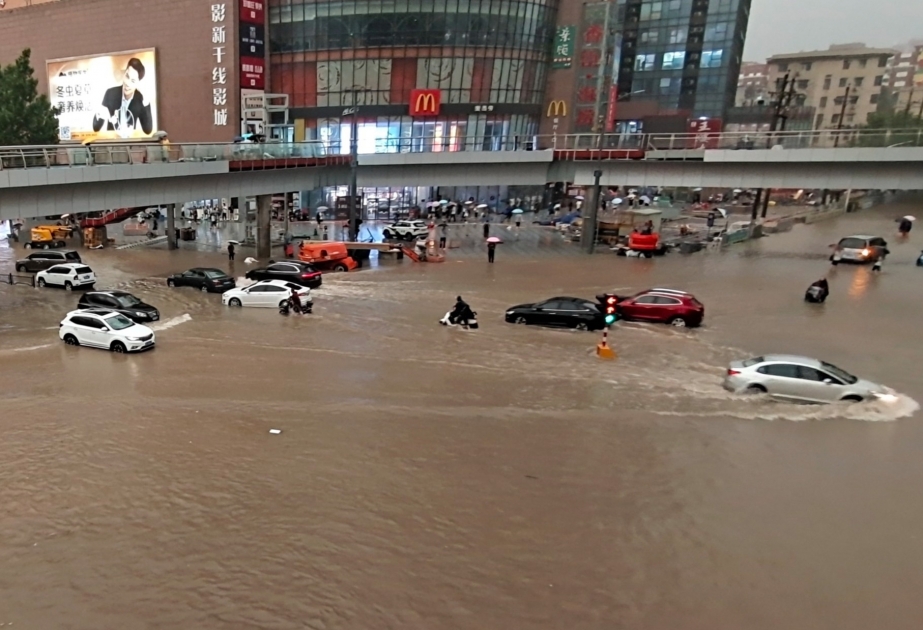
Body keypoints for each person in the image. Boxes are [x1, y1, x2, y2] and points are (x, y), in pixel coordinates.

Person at [92, 57, 154, 137]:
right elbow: (96, 128)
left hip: (130, 146)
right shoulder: (110, 93)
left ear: (138, 83)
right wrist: (99, 113)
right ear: (124, 73)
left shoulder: (140, 99)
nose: (128, 83)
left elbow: (148, 130)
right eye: (127, 76)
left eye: (133, 81)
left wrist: (146, 100)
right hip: (111, 146)